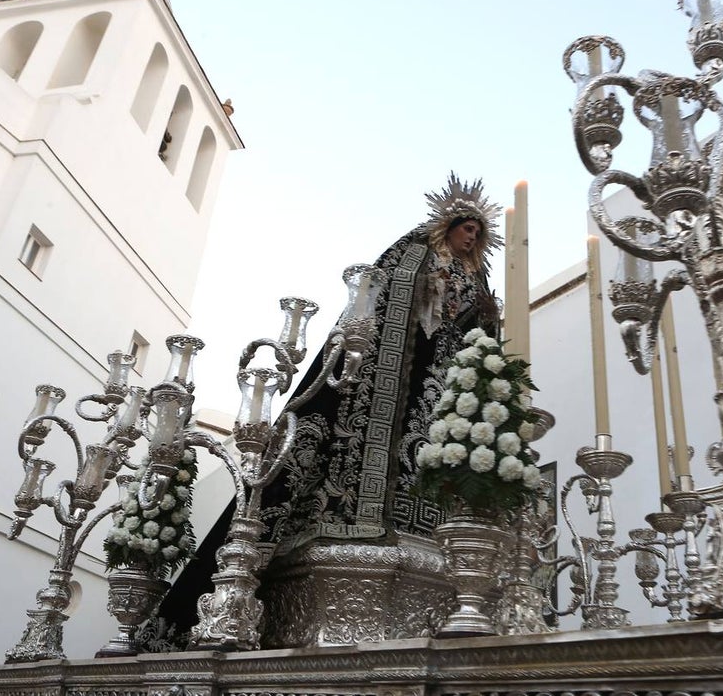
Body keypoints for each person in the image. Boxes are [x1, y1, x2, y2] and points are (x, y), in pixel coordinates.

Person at [152, 173, 502, 646]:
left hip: (444, 388)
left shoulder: (477, 276)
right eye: (466, 227)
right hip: (401, 371)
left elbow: (480, 331)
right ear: (449, 225)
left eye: (478, 233)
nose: (471, 237)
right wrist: (429, 292)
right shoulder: (417, 253)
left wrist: (484, 313)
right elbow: (388, 300)